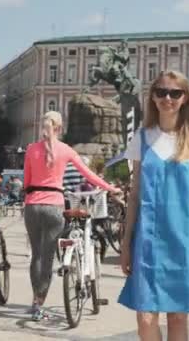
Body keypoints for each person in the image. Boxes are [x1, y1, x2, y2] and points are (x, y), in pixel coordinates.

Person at [118, 70, 189, 341]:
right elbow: (135, 194)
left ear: (185, 98)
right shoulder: (141, 138)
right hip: (148, 241)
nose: (167, 98)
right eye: (161, 91)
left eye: (175, 92)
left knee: (177, 317)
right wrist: (126, 244)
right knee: (145, 317)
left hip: (185, 241)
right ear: (152, 96)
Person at [23, 110, 119, 321]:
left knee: (36, 255)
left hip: (32, 205)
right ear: (59, 128)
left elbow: (26, 182)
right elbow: (89, 174)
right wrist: (110, 188)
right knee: (48, 257)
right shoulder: (65, 150)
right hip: (54, 206)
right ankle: (39, 303)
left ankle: (34, 300)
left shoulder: (31, 149)